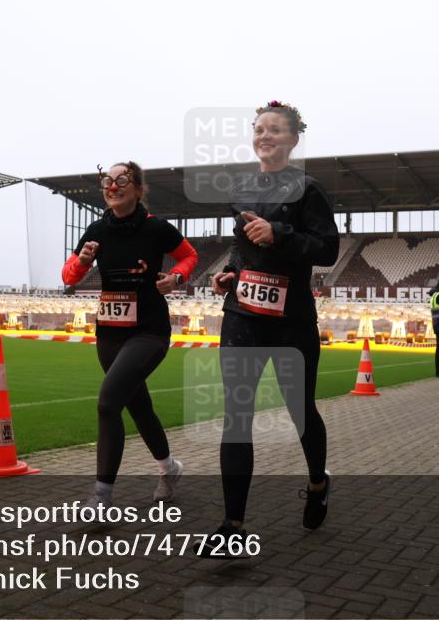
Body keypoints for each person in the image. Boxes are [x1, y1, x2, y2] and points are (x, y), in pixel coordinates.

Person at [200, 101, 339, 557]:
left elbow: (327, 249)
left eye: (275, 130)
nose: (265, 136)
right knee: (236, 417)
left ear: (293, 138)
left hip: (291, 321)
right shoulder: (240, 190)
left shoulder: (308, 190)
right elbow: (244, 252)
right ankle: (231, 526)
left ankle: (318, 483)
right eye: (259, 129)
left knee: (301, 410)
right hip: (242, 315)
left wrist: (280, 234)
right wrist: (228, 274)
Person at [62, 161, 198, 506]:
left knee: (108, 403)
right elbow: (68, 277)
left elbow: (189, 256)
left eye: (122, 179)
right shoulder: (96, 229)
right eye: (107, 180)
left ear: (138, 188)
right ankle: (169, 468)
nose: (113, 185)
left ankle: (101, 498)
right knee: (139, 407)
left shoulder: (156, 228)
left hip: (149, 331)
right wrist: (82, 260)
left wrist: (176, 279)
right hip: (109, 333)